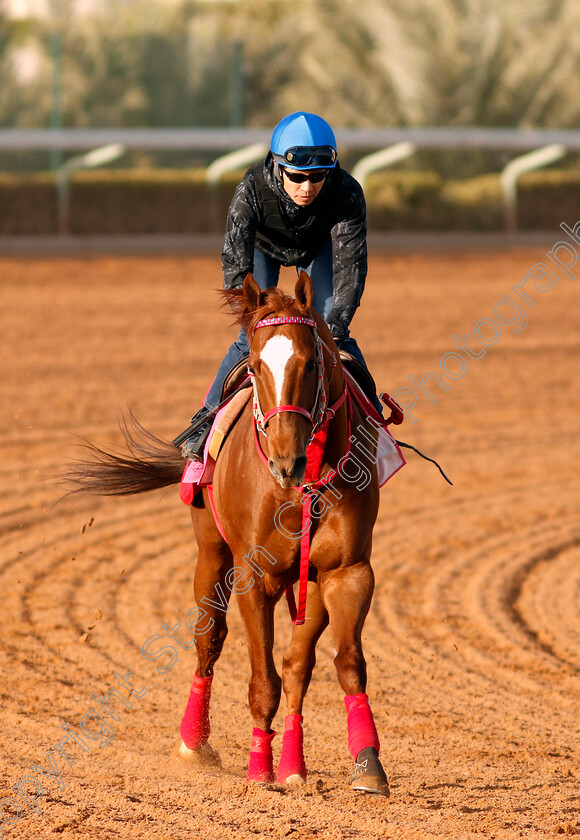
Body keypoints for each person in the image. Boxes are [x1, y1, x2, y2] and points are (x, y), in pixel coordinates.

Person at [180, 110, 376, 461]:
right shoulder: (251, 188)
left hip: (321, 248)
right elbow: (236, 263)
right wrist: (253, 321)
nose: (308, 187)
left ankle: (372, 425)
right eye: (298, 176)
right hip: (262, 250)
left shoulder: (347, 192)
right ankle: (205, 422)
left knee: (334, 333)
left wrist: (332, 329)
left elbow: (351, 270)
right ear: (277, 166)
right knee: (249, 337)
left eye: (318, 177)